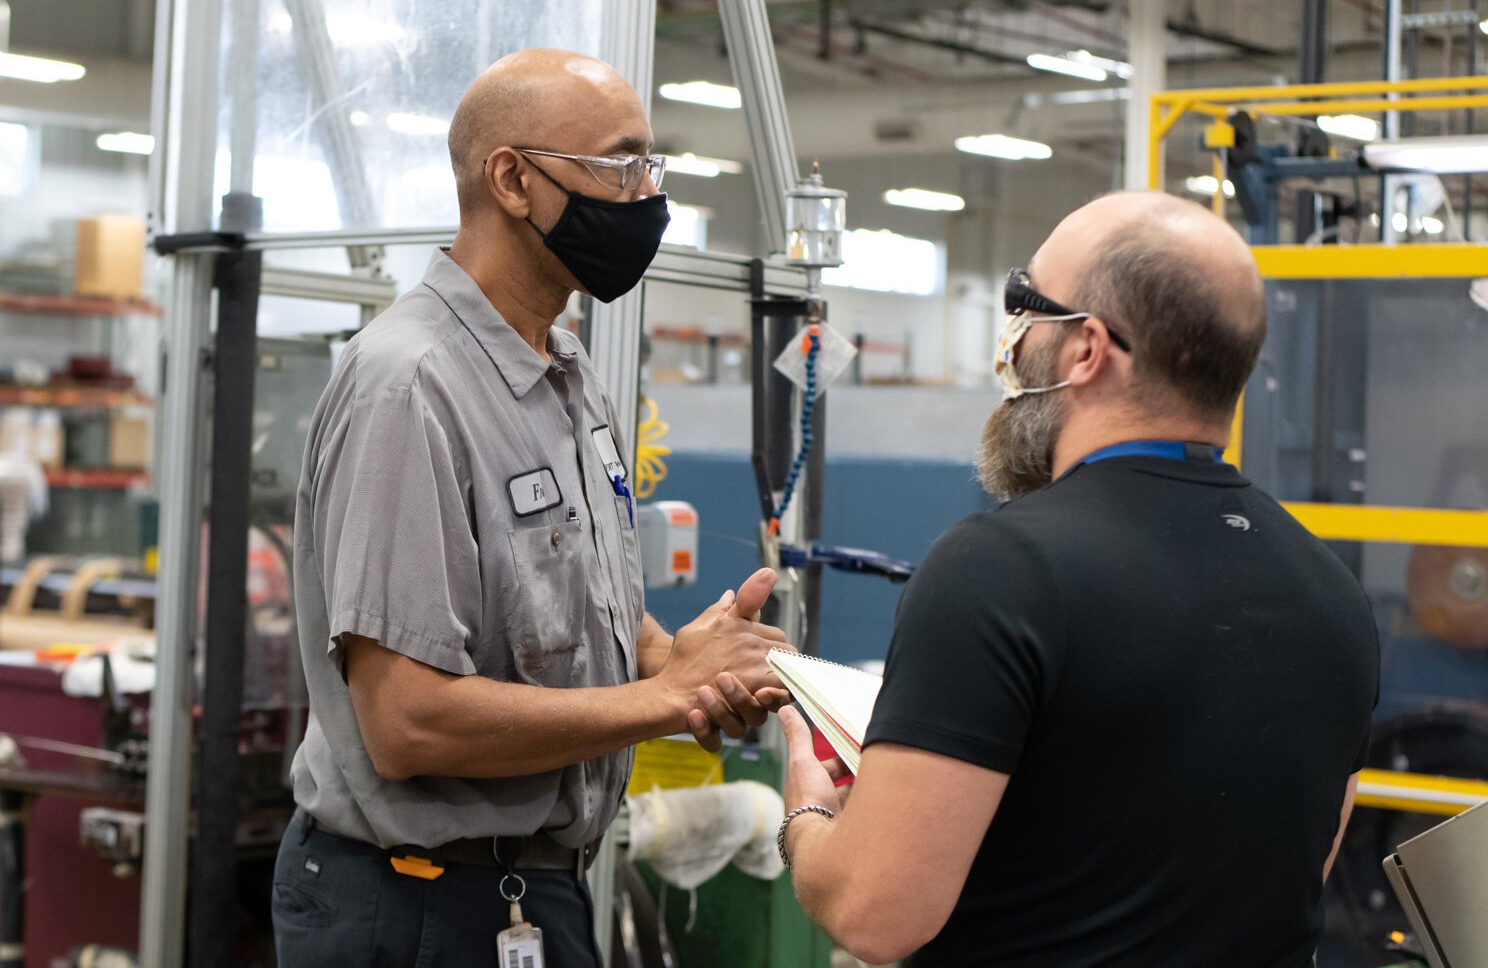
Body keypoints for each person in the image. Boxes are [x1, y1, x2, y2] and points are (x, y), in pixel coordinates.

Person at [273, 48, 791, 967]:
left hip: (529, 890)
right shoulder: (411, 384)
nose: (646, 198)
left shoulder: (565, 371)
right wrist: (659, 698)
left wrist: (700, 665)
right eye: (620, 165)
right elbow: (406, 721)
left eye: (651, 168)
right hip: (415, 905)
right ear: (512, 178)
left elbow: (585, 622)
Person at [777, 190, 1381, 966]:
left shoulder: (996, 571)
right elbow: (1292, 865)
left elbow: (873, 913)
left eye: (1027, 306)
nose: (1014, 338)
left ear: (1087, 348)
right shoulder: (1334, 594)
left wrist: (811, 817)